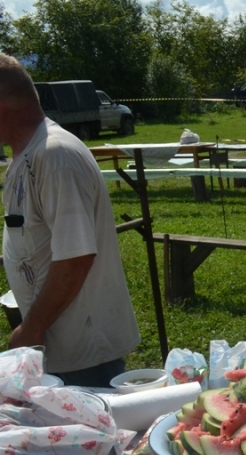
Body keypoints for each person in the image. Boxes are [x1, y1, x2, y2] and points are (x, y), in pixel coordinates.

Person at [0, 53, 140, 387]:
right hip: (56, 350)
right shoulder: (25, 156)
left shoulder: (55, 156)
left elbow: (75, 257)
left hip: (83, 356)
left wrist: (30, 328)